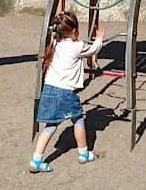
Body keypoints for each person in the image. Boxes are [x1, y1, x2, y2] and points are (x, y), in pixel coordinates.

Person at [29, 11, 104, 173]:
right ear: (74, 30)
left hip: (49, 90)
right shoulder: (77, 46)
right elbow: (92, 50)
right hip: (66, 93)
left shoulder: (55, 43)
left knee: (50, 126)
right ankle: (83, 153)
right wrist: (99, 39)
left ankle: (36, 159)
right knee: (78, 120)